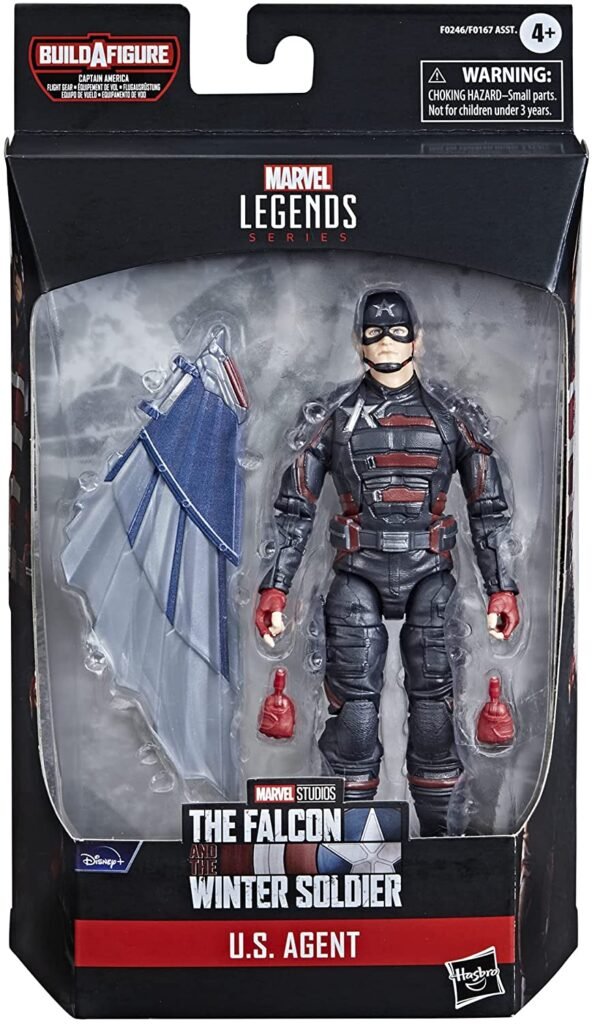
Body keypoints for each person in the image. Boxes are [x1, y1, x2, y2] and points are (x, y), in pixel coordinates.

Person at [255, 289, 519, 835]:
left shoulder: (452, 416)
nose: (386, 342)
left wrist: (502, 587)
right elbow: (295, 507)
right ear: (358, 341)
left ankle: (442, 850)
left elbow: (488, 508)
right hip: (357, 574)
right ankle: (352, 849)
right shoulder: (332, 416)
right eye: (374, 332)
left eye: (398, 330)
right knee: (354, 715)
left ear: (417, 337)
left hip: (432, 577)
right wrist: (276, 586)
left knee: (434, 714)